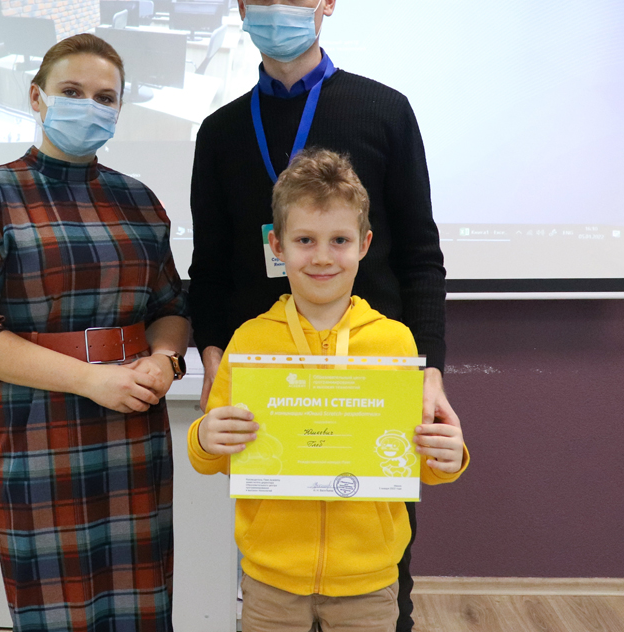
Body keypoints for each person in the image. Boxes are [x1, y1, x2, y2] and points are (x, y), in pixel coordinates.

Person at [188, 0, 455, 631]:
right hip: (268, 380)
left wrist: (428, 372)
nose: (277, 7)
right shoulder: (219, 132)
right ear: (240, 4)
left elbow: (421, 256)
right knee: (278, 573)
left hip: (371, 380)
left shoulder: (386, 111)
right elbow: (208, 266)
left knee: (375, 584)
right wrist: (213, 362)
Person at [0, 33, 191, 632]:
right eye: (72, 91)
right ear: (37, 97)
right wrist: (89, 380)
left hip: (134, 427)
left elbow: (170, 306)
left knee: (140, 602)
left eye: (105, 97)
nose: (90, 107)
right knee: (55, 606)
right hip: (38, 427)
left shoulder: (139, 200)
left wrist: (165, 360)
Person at [188, 148, 468, 632]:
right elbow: (214, 459)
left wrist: (448, 456)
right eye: (305, 240)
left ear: (365, 244)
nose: (321, 256)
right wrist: (205, 438)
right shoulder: (250, 341)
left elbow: (412, 459)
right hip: (270, 579)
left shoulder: (395, 342)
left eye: (339, 240)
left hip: (369, 580)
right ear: (277, 245)